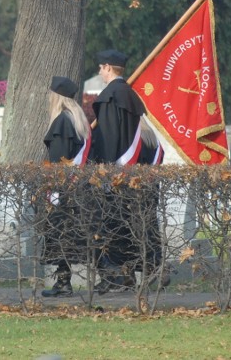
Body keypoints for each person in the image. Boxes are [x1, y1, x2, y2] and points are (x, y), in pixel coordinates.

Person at [87, 49, 150, 294]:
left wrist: (104, 169)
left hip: (115, 172)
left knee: (111, 225)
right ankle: (126, 277)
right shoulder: (129, 95)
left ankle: (115, 277)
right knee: (125, 226)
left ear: (109, 68)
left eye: (101, 67)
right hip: (130, 173)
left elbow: (110, 138)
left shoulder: (111, 97)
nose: (99, 72)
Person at [41, 76, 91, 298]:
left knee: (61, 234)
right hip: (76, 188)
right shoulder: (77, 120)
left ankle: (63, 282)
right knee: (69, 235)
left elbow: (59, 160)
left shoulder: (62, 121)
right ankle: (64, 281)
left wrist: (53, 190)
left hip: (63, 189)